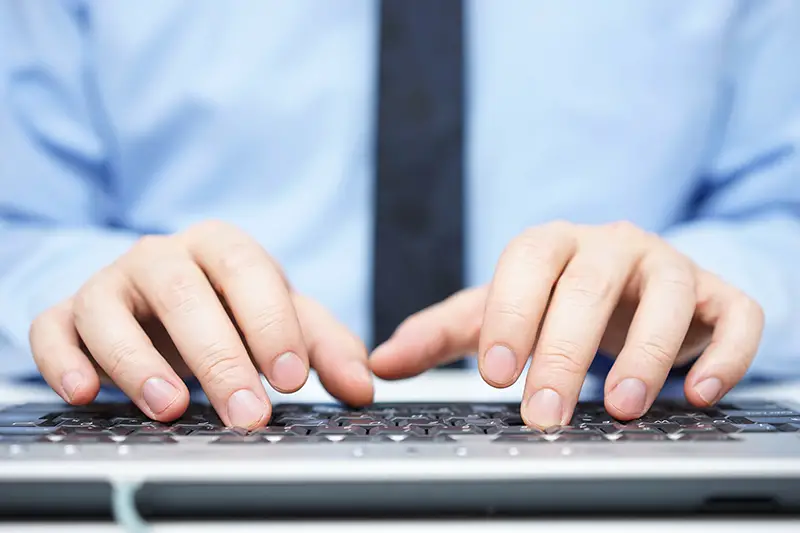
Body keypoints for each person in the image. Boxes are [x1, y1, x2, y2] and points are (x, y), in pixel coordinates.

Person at [1, 1, 799, 431]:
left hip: (624, 417)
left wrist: (702, 290)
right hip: (178, 424)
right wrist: (103, 302)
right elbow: (20, 223)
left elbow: (782, 211)